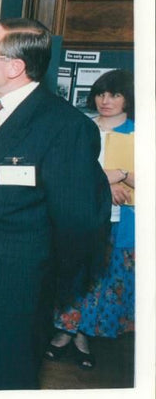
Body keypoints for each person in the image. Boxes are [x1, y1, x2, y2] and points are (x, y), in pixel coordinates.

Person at [0, 18, 111, 390]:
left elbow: (80, 220)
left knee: (6, 383)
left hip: (15, 292)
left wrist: (51, 283)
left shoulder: (64, 126)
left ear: (14, 66)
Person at [45, 69, 135, 369]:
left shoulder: (140, 132)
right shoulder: (81, 126)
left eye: (115, 94)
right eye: (100, 93)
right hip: (82, 215)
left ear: (128, 98)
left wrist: (121, 176)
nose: (105, 100)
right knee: (76, 272)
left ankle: (84, 335)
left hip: (122, 221)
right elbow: (68, 173)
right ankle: (64, 333)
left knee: (105, 279)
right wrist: (107, 181)